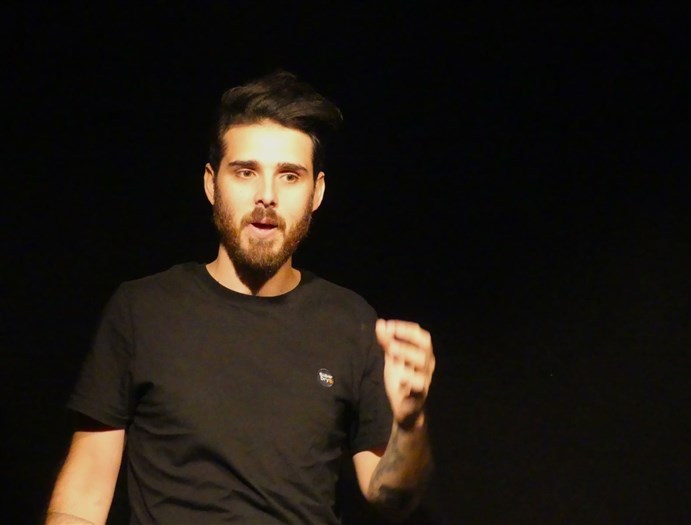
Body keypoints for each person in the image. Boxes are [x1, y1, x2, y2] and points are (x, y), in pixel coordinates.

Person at [45, 70, 436, 525]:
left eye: (289, 176)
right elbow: (85, 491)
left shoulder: (350, 320)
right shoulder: (143, 309)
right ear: (211, 183)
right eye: (246, 172)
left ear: (317, 193)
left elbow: (391, 497)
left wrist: (410, 424)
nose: (266, 196)